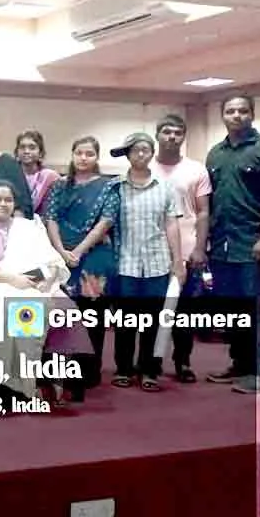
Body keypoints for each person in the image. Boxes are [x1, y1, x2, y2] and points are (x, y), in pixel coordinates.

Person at [0, 181, 92, 405]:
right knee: (25, 308)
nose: (3, 204)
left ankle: (58, 377)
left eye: (8, 200)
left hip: (37, 282)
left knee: (66, 310)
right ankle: (20, 382)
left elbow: (50, 262)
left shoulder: (28, 227)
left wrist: (38, 281)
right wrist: (13, 279)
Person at [205, 94, 260, 394]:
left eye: (243, 111)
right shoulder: (215, 154)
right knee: (232, 310)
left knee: (256, 310)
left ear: (252, 114)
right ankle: (240, 364)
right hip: (221, 245)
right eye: (231, 111)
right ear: (223, 116)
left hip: (252, 244)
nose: (237, 116)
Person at [110, 133, 184, 392]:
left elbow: (171, 224)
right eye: (135, 150)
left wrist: (178, 261)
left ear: (152, 153)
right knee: (126, 321)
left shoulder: (165, 186)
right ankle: (123, 368)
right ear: (128, 155)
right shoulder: (116, 187)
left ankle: (149, 370)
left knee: (153, 321)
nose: (140, 154)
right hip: (125, 263)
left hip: (157, 261)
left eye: (145, 150)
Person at [44, 136, 119, 388]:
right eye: (79, 153)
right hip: (60, 255)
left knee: (91, 314)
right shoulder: (59, 185)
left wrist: (78, 251)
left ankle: (89, 371)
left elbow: (106, 221)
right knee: (63, 314)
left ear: (96, 157)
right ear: (73, 154)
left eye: (89, 154)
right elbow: (51, 218)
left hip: (94, 256)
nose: (83, 158)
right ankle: (61, 369)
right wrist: (60, 251)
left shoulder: (108, 186)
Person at [151, 114, 211, 383]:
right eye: (167, 131)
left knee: (184, 313)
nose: (172, 137)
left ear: (183, 137)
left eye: (177, 132)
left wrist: (200, 248)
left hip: (186, 249)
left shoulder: (196, 170)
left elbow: (203, 212)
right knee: (152, 311)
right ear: (157, 135)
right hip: (152, 251)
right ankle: (150, 363)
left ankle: (182, 361)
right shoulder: (144, 166)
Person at [16, 130, 60, 216]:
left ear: (40, 153)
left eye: (32, 147)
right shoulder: (9, 175)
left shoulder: (51, 177)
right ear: (17, 152)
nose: (26, 151)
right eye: (22, 147)